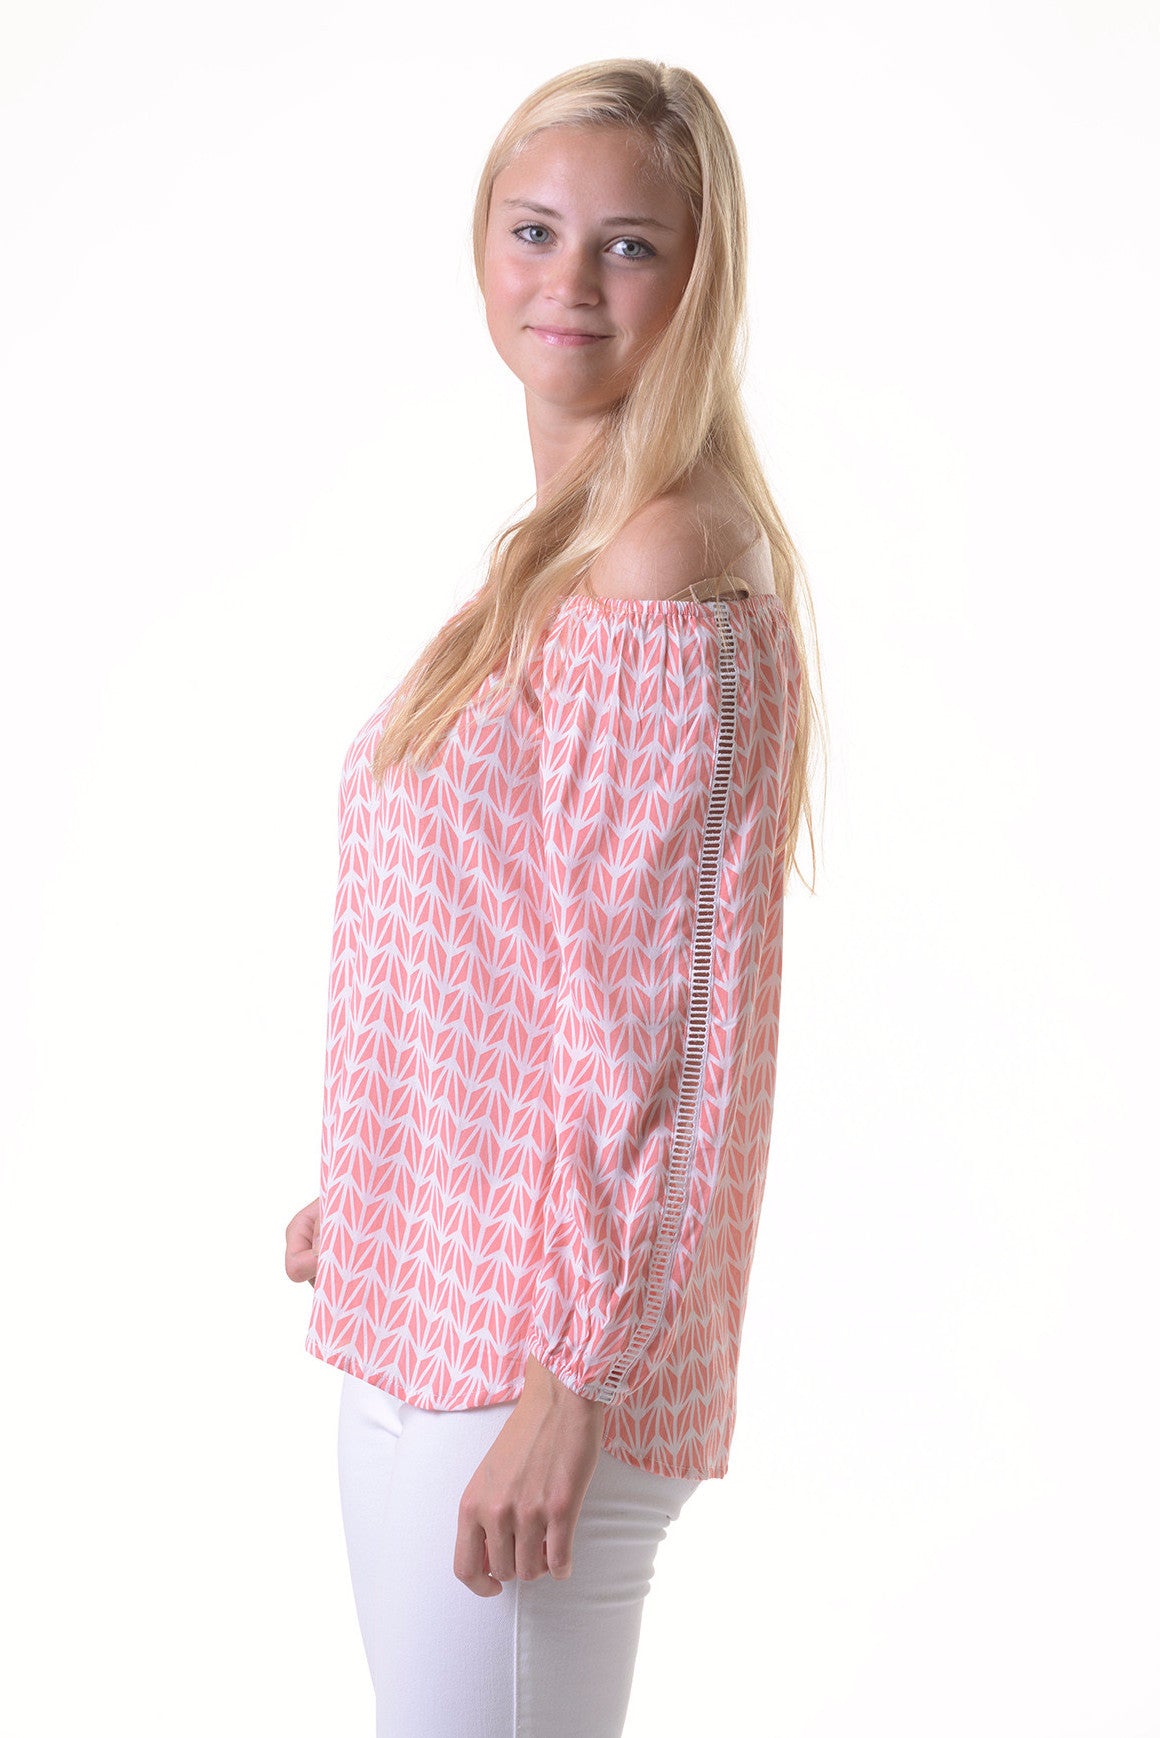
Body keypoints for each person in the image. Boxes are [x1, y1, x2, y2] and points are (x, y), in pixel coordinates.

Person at [283, 56, 822, 1738]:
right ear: (481, 247)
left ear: (701, 275)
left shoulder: (659, 559)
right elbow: (523, 935)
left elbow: (651, 1021)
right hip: (429, 1307)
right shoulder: (554, 552)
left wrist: (575, 1372)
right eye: (535, 230)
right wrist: (384, 1172)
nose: (569, 281)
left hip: (532, 1362)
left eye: (629, 246)